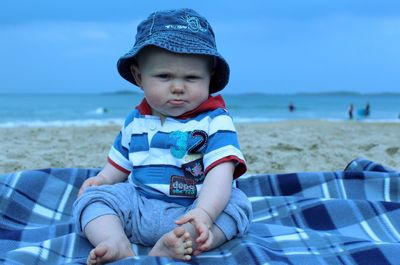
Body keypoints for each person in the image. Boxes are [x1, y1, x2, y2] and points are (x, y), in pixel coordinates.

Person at [73, 8, 252, 265]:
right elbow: (119, 164)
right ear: (139, 77)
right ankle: (114, 241)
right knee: (92, 200)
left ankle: (187, 240)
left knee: (237, 204)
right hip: (140, 205)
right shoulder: (136, 121)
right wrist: (101, 179)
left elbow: (220, 174)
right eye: (164, 76)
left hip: (193, 210)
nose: (178, 87)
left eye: (191, 77)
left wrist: (203, 213)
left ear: (209, 78)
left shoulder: (215, 120)